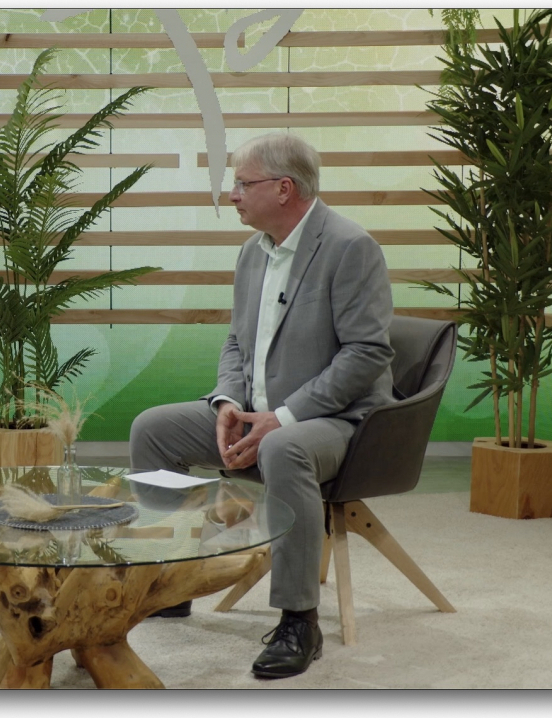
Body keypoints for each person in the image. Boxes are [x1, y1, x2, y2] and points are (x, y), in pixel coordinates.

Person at [130, 133, 394, 679]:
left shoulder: (351, 247)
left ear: (283, 189)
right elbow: (237, 341)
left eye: (241, 183)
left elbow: (367, 353)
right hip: (256, 410)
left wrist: (284, 417)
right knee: (152, 430)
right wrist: (228, 401)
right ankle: (171, 583)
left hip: (338, 421)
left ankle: (299, 620)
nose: (232, 195)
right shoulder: (254, 251)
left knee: (282, 448)